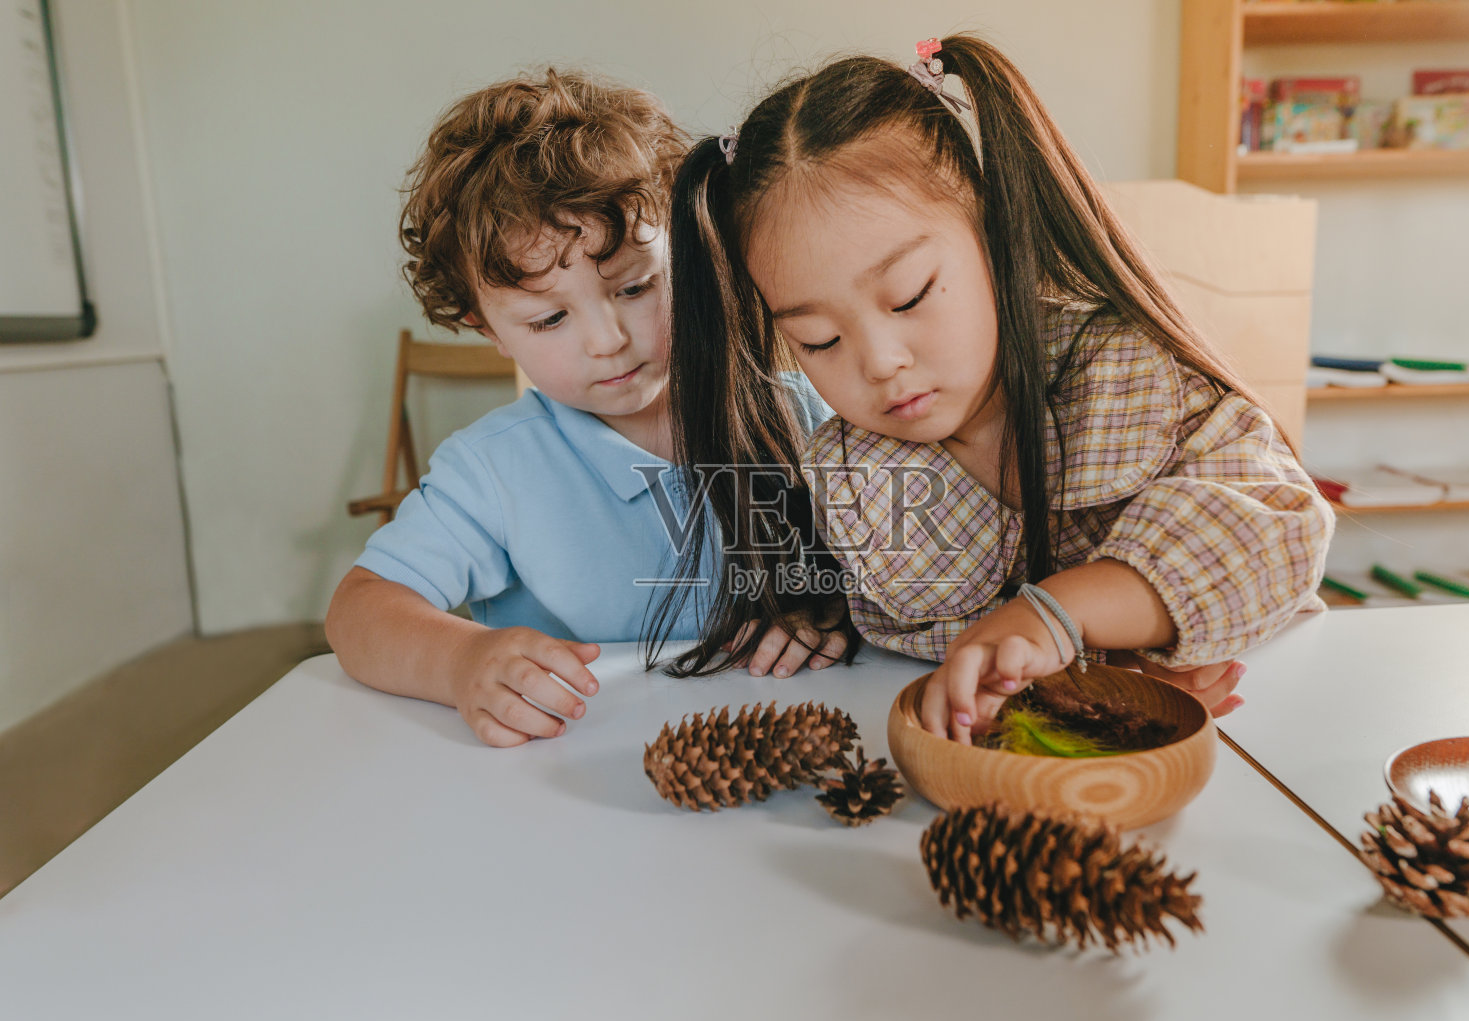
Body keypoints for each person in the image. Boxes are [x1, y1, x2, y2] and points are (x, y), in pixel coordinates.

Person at [657, 35, 1335, 743]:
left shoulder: (1125, 371)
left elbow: (1276, 526)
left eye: (910, 295)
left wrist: (1063, 616)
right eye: (818, 339)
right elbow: (905, 627)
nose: (880, 362)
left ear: (992, 231)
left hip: (1278, 730)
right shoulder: (856, 468)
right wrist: (823, 615)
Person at [326, 70, 846, 749]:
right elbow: (359, 611)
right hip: (570, 769)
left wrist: (831, 612)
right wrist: (459, 660)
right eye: (549, 320)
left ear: (687, 254)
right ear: (490, 330)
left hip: (788, 750)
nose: (608, 341)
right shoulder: (495, 469)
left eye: (635, 287)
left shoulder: (808, 417)